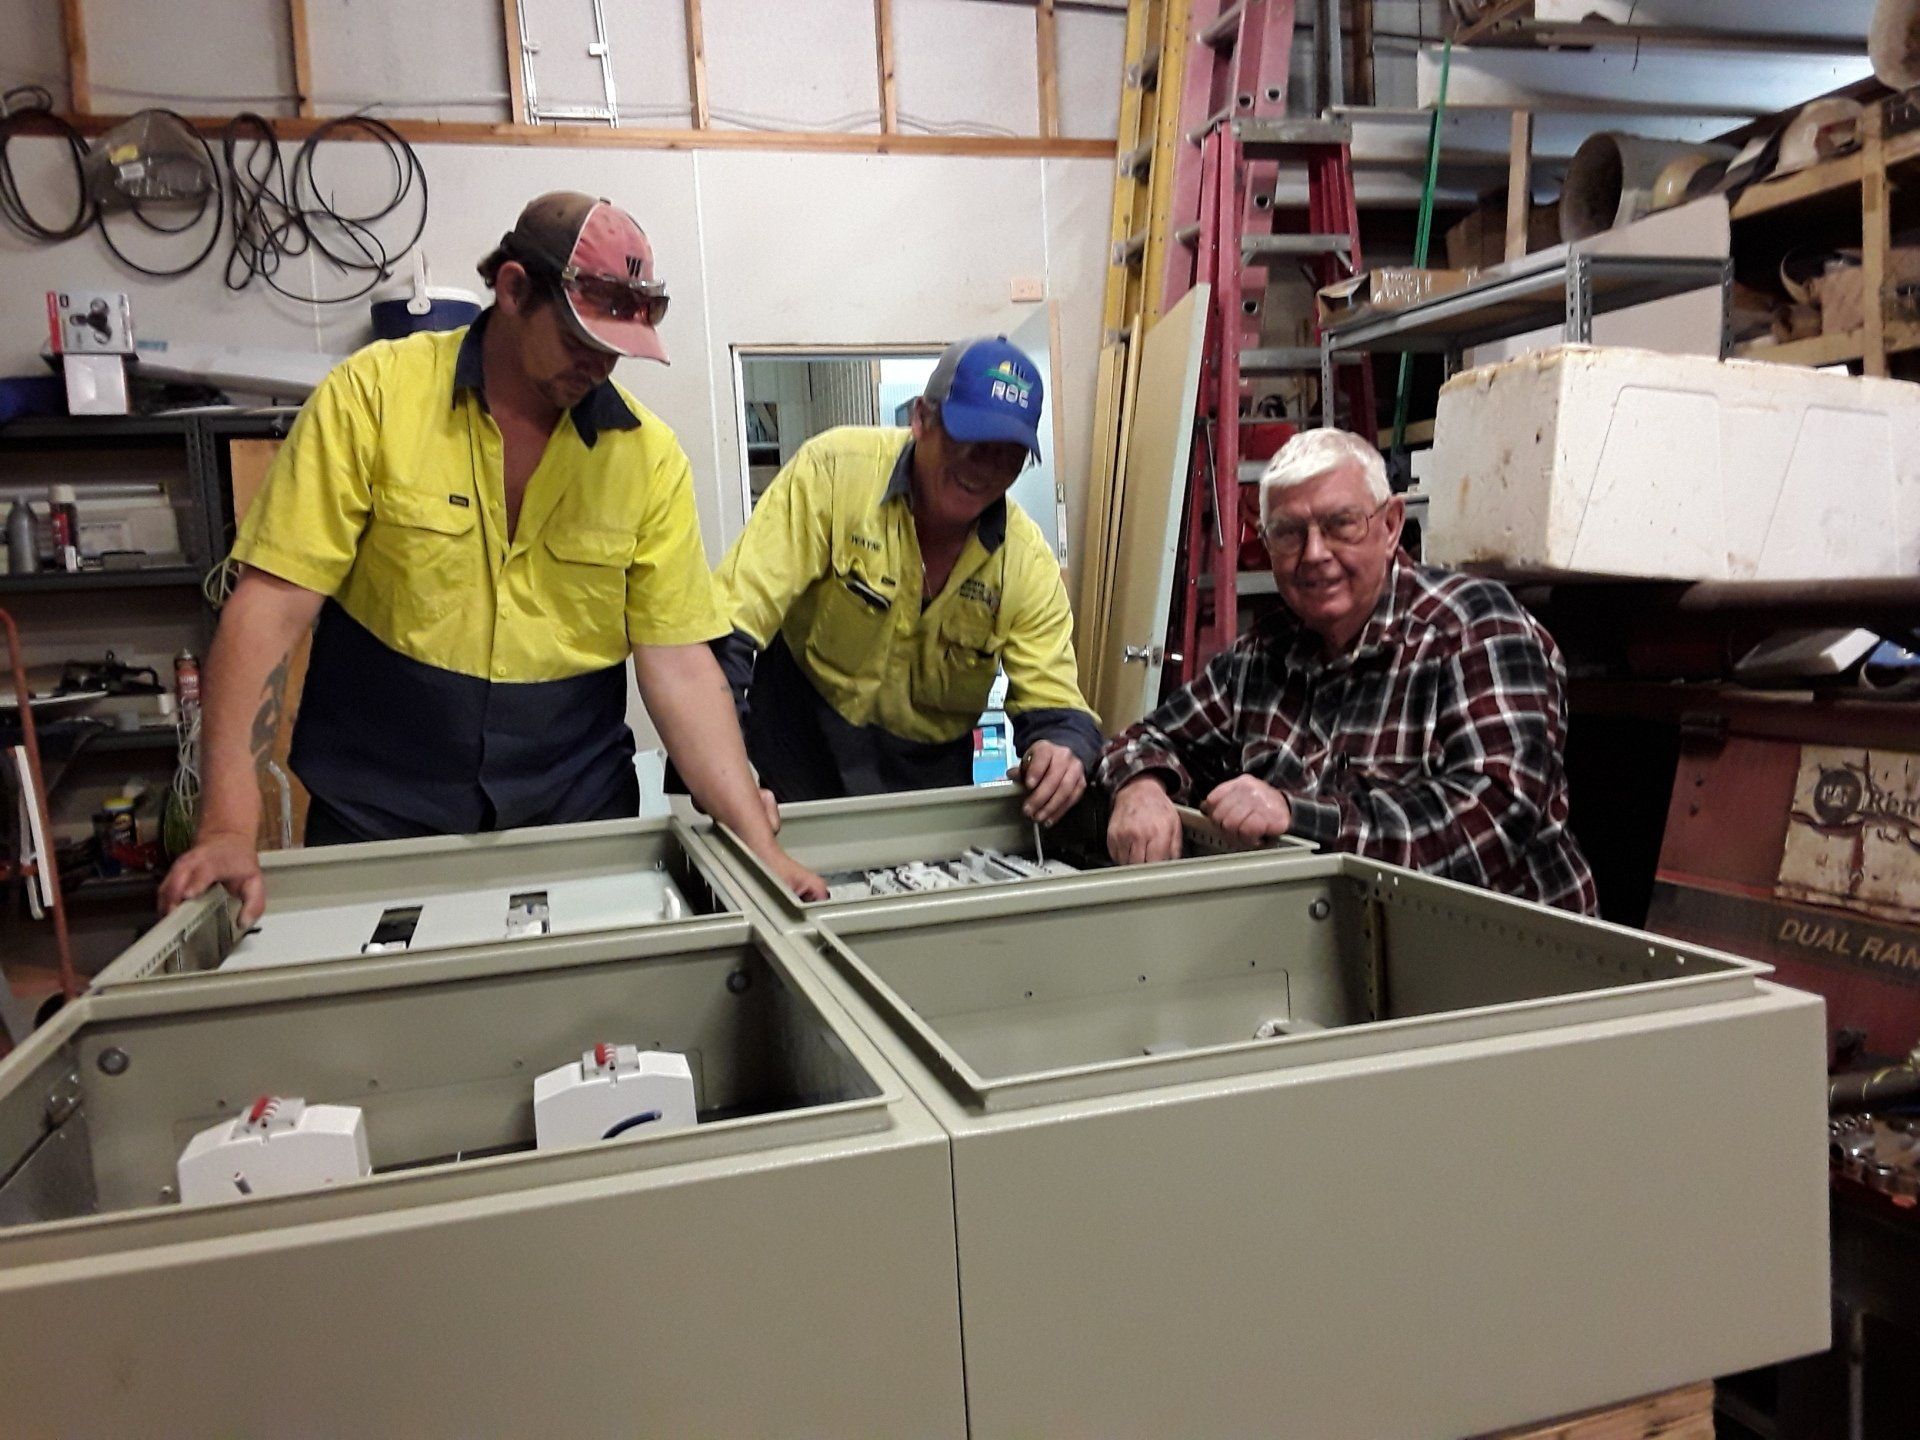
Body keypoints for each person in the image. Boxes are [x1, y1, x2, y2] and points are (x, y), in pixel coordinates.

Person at [160, 191, 826, 926]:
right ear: (513, 289)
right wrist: (228, 826)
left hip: (573, 815)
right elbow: (270, 608)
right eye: (579, 338)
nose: (600, 365)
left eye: (616, 348)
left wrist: (758, 841)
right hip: (379, 812)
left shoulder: (647, 458)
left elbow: (681, 667)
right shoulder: (372, 397)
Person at [1100, 428, 1596, 914]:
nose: (1314, 554)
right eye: (1289, 533)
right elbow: (1143, 739)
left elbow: (1489, 822)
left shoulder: (1477, 629)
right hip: (1334, 935)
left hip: (1492, 948)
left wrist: (1297, 816)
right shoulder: (1260, 657)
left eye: (1341, 524)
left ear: (1391, 526)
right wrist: (1142, 786)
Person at [709, 336, 1100, 825]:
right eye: (972, 443)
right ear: (921, 419)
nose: (985, 470)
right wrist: (724, 769)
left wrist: (1062, 748)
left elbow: (1056, 704)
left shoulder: (1025, 563)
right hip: (797, 745)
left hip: (928, 777)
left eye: (1009, 455)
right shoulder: (833, 473)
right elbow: (729, 627)